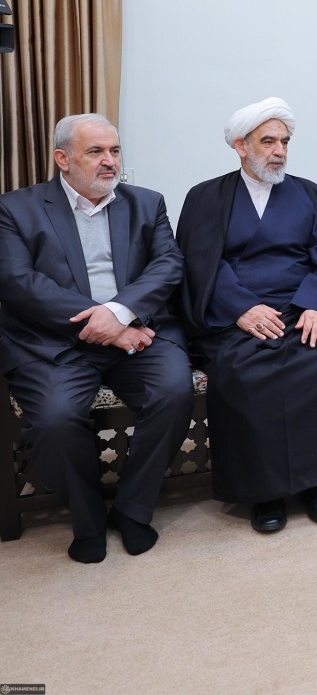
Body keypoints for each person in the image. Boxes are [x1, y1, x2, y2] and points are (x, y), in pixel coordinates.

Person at [175, 97, 317, 533]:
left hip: (302, 308)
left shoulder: (309, 194)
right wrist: (240, 308)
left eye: (284, 142)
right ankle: (264, 492)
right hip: (237, 314)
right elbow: (200, 264)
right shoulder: (206, 197)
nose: (279, 151)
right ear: (241, 146)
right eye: (268, 142)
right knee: (244, 372)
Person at [0, 114, 193, 563]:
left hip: (139, 334)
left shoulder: (146, 203)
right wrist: (109, 326)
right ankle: (87, 519)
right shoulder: (15, 209)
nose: (110, 161)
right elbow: (18, 283)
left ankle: (132, 508)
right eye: (96, 152)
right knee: (53, 419)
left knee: (173, 391)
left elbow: (168, 265)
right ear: (62, 158)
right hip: (55, 343)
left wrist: (119, 313)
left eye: (115, 151)